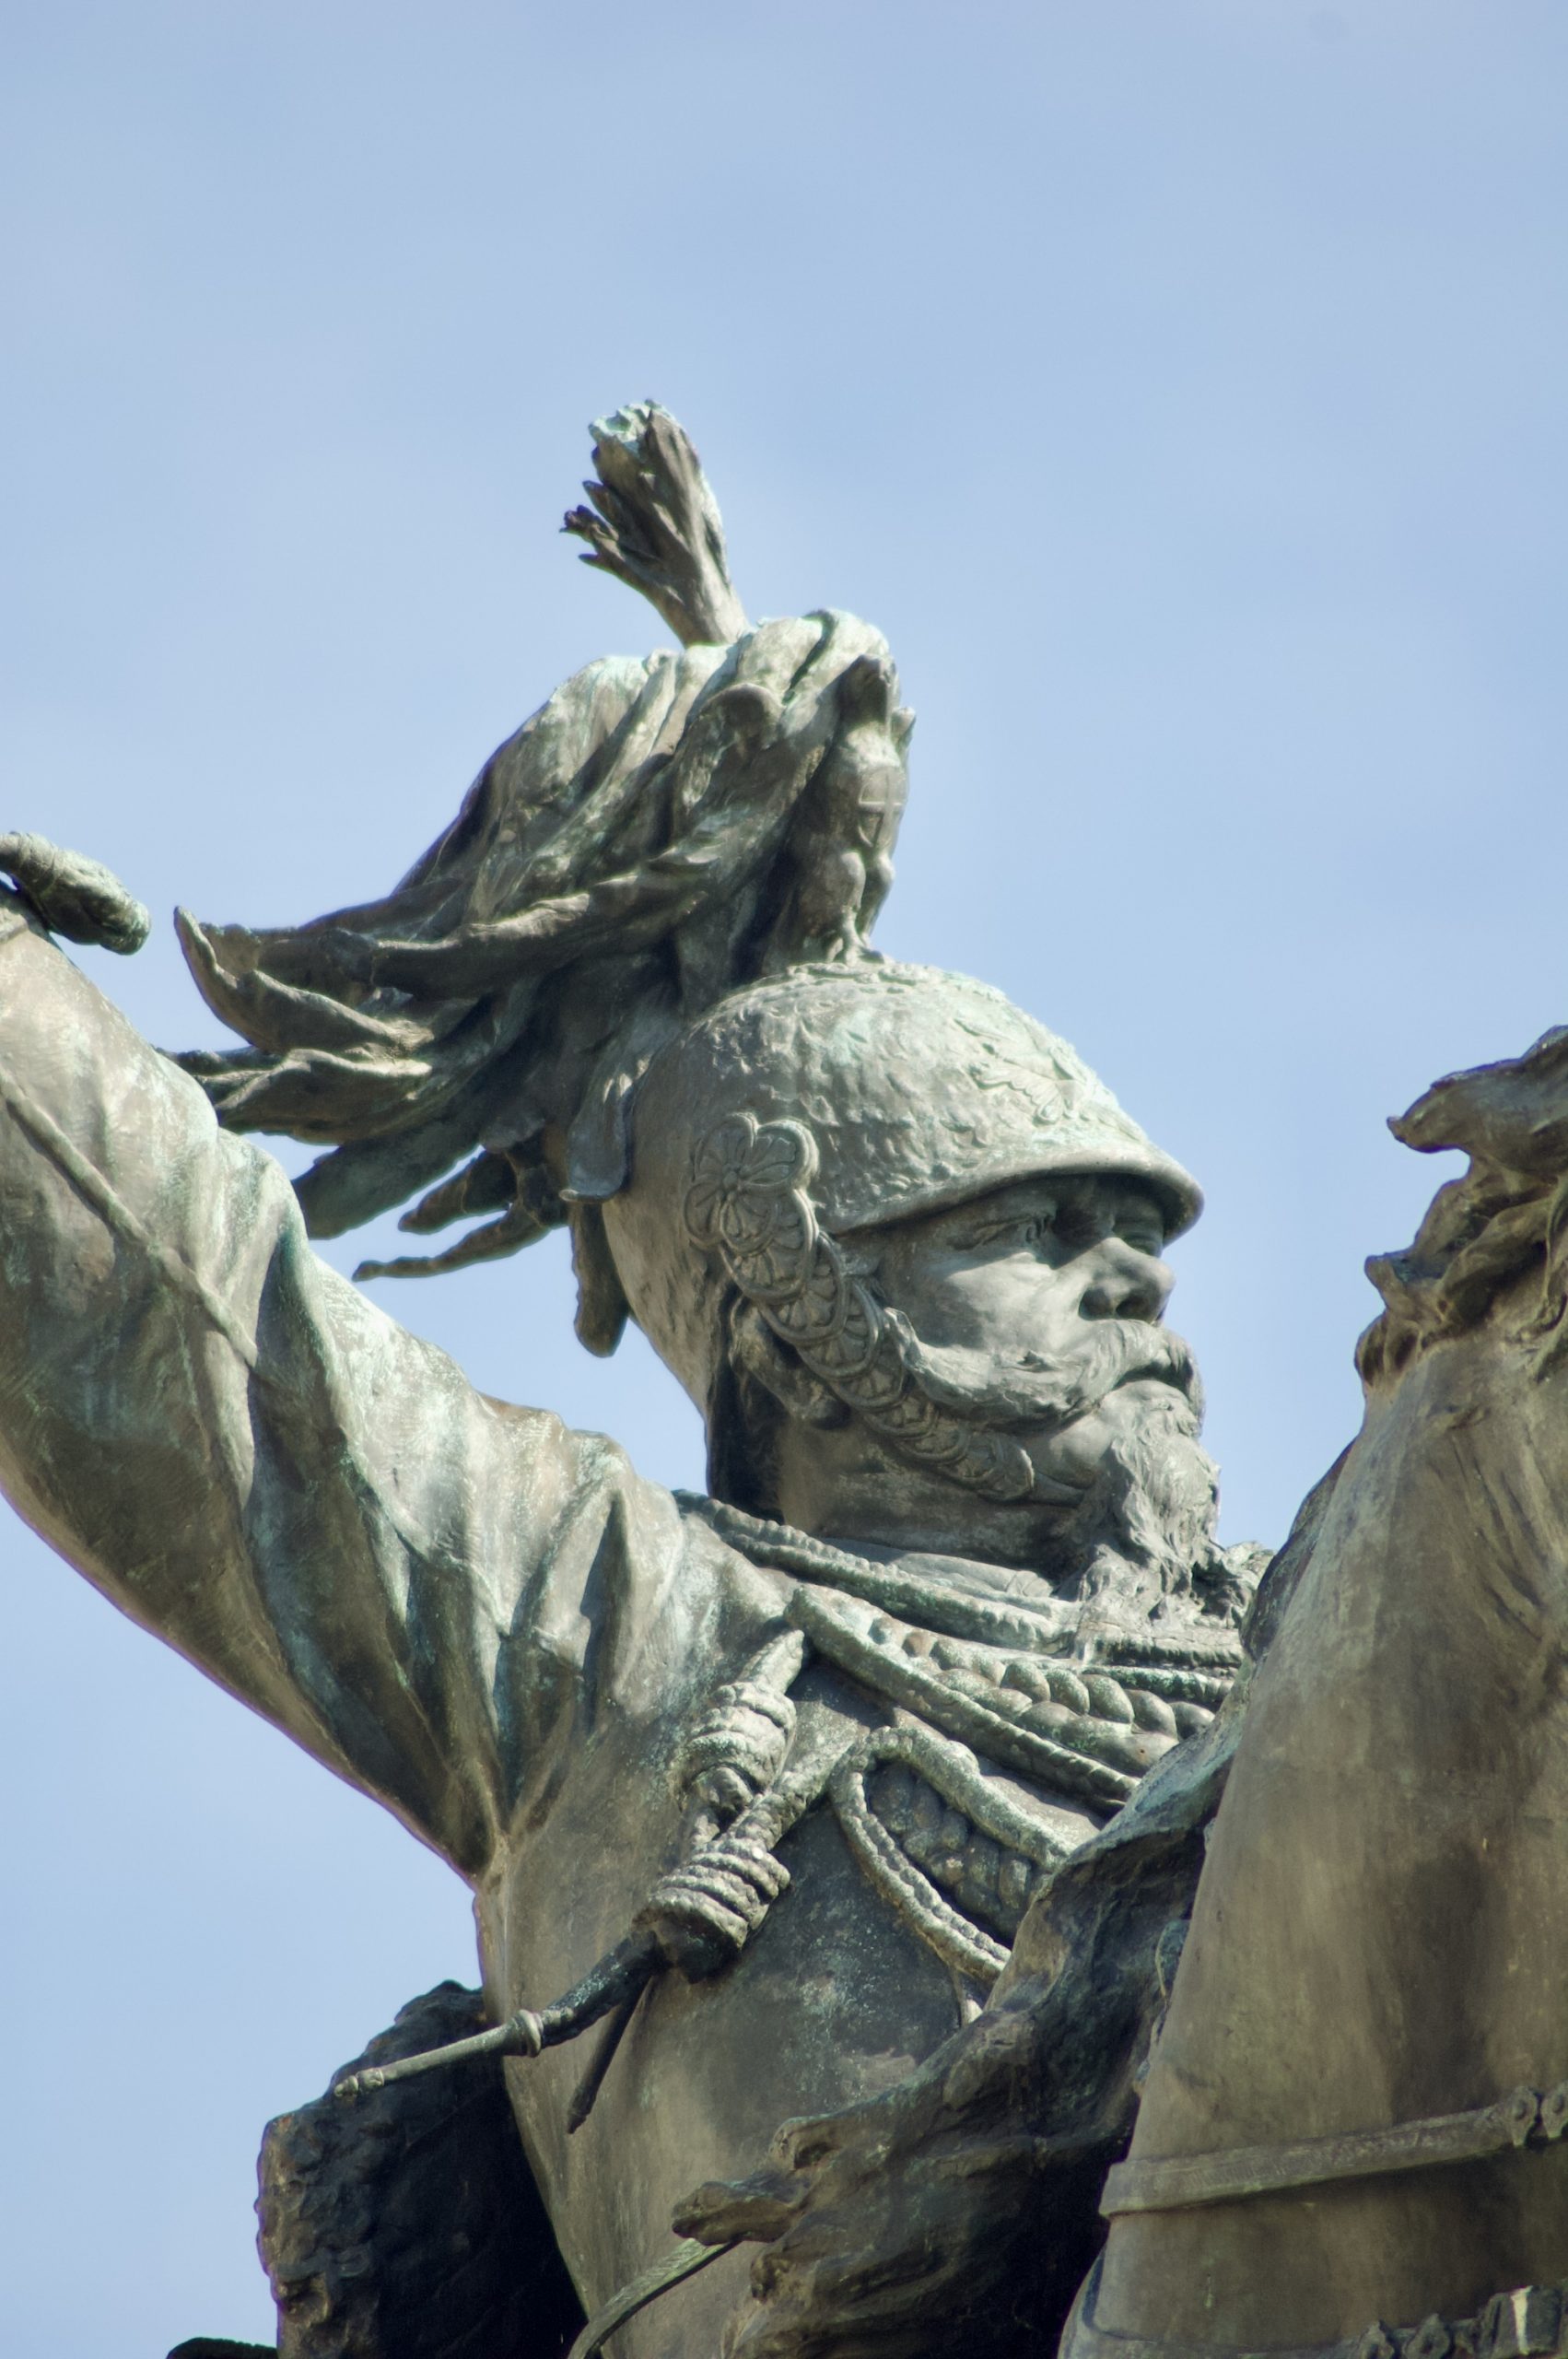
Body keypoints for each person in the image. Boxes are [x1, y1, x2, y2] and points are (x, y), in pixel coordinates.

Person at [0, 412, 1260, 2359]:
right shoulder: (616, 1627)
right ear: (792, 1309)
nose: (1134, 1278)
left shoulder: (1337, 1640)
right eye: (1026, 1228)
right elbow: (192, 1321)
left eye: (1134, 1224)